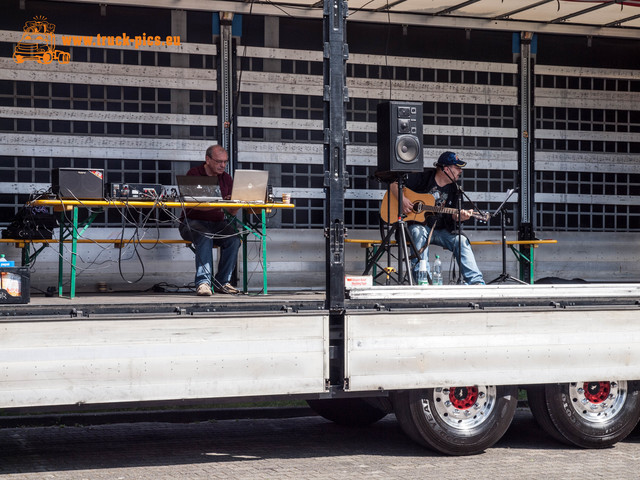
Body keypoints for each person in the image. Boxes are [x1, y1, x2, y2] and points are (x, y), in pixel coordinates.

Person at [389, 151, 485, 285]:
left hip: (441, 231)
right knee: (417, 231)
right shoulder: (423, 178)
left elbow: (454, 216)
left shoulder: (456, 190)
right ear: (446, 169)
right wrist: (403, 200)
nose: (460, 171)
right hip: (419, 227)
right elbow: (393, 184)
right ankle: (424, 281)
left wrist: (460, 217)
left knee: (461, 240)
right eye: (457, 168)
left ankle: (476, 282)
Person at [179, 145, 241, 296]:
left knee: (234, 239)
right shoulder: (194, 174)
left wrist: (235, 203)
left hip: (217, 223)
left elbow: (231, 212)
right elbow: (193, 206)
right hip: (192, 222)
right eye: (219, 161)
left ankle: (222, 283)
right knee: (205, 236)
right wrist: (219, 204)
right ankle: (203, 283)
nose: (223, 165)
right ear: (207, 159)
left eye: (225, 162)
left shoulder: (227, 179)